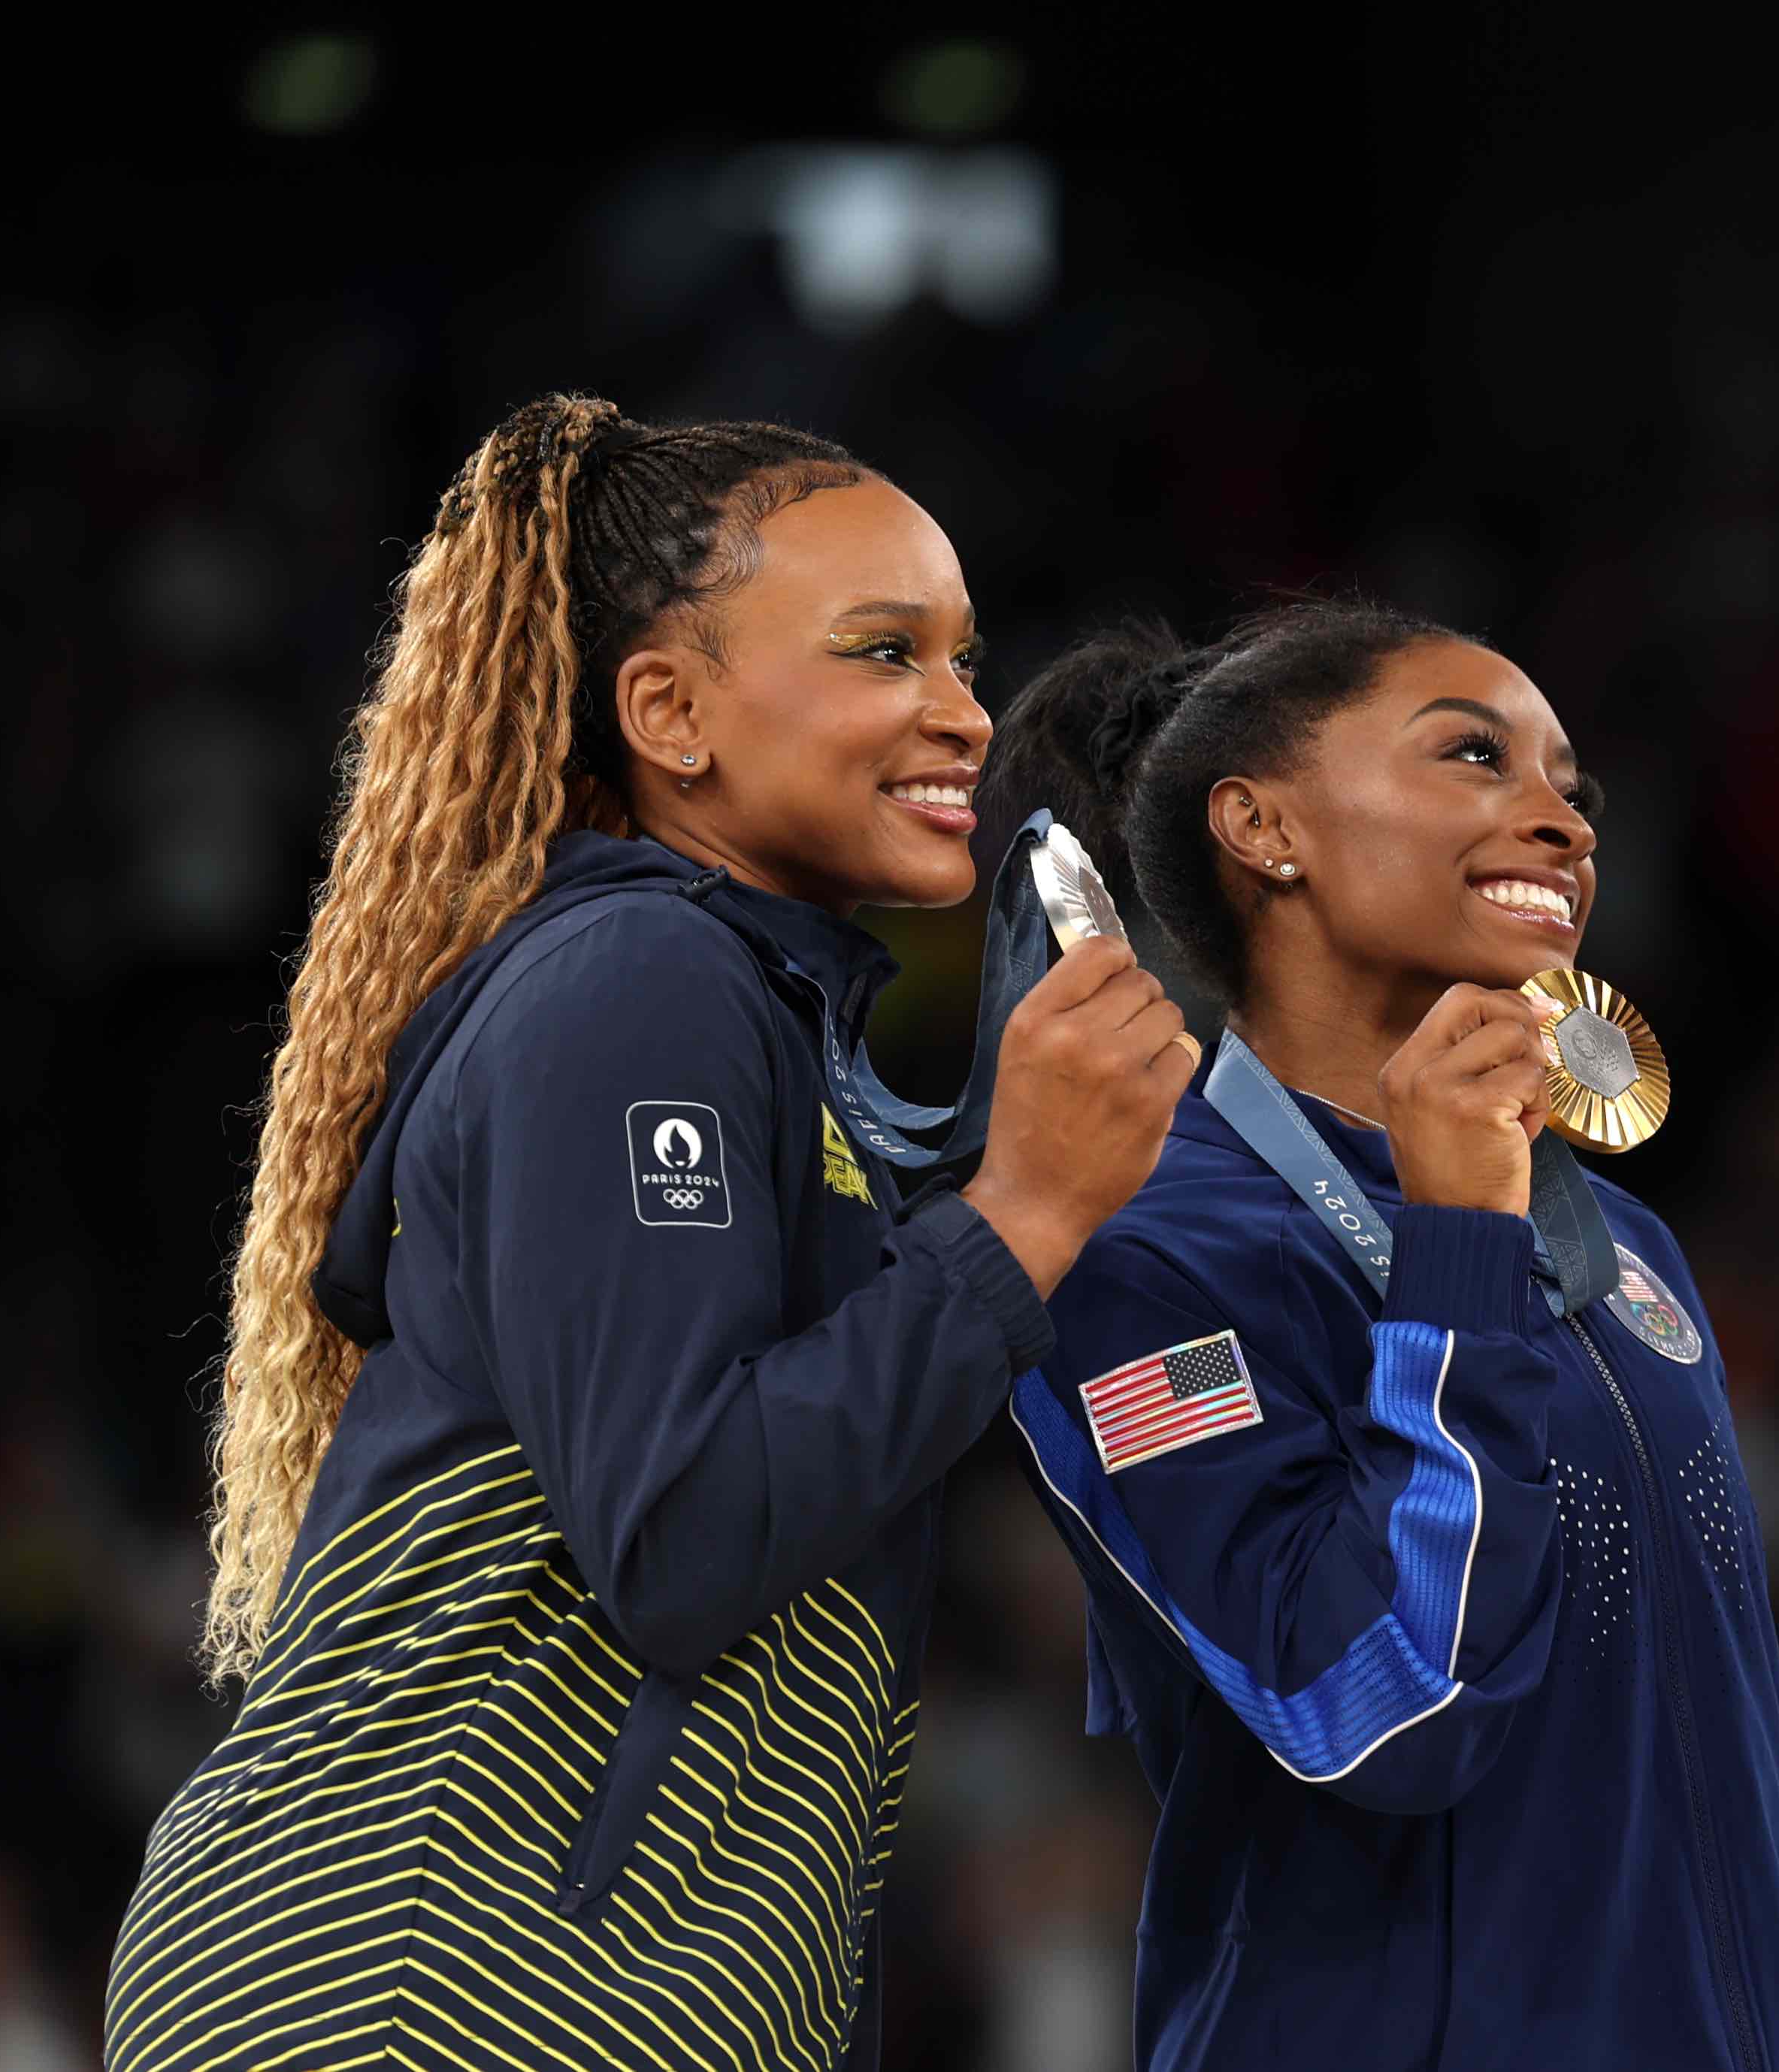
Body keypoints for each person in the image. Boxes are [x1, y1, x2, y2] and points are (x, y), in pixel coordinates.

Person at [104, 396, 1194, 2072]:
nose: (960, 713)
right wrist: (1024, 1208)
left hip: (547, 1979)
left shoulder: (747, 1014)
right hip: (427, 1974)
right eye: (881, 651)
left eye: (966, 660)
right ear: (669, 711)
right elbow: (684, 1527)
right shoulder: (637, 981)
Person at [973, 601, 1779, 2069]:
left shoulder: (1623, 1245)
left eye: (1572, 786)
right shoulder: (1144, 1259)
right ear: (1262, 827)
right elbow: (1379, 1705)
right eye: (1474, 756)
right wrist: (1452, 1251)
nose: (1557, 819)